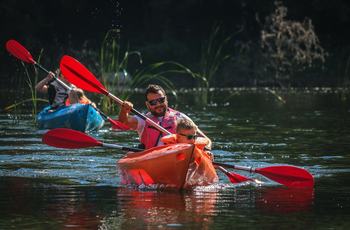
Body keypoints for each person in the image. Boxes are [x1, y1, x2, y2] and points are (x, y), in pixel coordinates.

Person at [118, 84, 212, 149]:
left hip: (178, 156)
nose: (158, 104)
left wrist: (206, 150)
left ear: (166, 99)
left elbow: (206, 139)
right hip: (151, 159)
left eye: (161, 100)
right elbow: (123, 122)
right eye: (153, 102)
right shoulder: (143, 120)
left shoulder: (180, 117)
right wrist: (124, 110)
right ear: (147, 105)